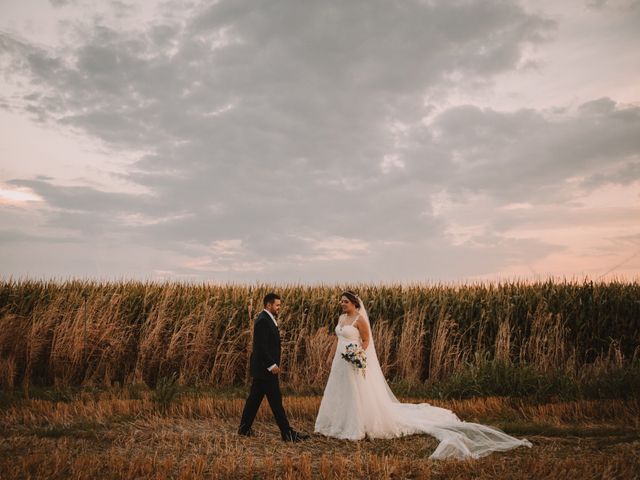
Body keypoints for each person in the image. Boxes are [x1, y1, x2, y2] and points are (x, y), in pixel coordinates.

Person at [314, 291, 533, 459]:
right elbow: (340, 337)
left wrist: (358, 355)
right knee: (339, 390)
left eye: (345, 301)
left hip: (353, 359)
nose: (342, 304)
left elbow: (366, 341)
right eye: (341, 301)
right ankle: (335, 423)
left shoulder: (359, 320)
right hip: (339, 361)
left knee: (355, 392)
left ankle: (356, 426)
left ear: (355, 303)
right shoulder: (342, 318)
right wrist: (339, 353)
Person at [239, 292, 310, 442]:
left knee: (254, 400)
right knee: (276, 402)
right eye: (277, 305)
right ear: (268, 305)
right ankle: (287, 433)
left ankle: (244, 429)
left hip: (262, 370)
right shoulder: (263, 320)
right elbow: (260, 347)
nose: (279, 307)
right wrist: (271, 365)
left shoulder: (267, 319)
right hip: (266, 369)